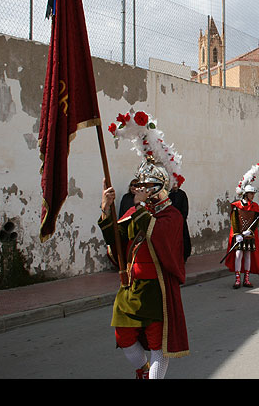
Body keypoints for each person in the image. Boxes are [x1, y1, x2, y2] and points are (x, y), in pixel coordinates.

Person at [101, 110, 189, 380]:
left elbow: (156, 235)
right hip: (131, 288)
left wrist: (137, 206)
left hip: (157, 290)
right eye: (138, 184)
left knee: (158, 347)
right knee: (124, 337)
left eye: (145, 184)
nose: (139, 188)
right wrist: (106, 210)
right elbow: (117, 239)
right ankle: (141, 370)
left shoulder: (170, 215)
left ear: (159, 187)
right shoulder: (135, 210)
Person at [225, 164, 259, 289]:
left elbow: (255, 221)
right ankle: (237, 279)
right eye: (250, 193)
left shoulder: (255, 206)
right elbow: (234, 221)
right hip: (239, 236)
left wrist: (250, 231)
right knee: (238, 255)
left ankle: (246, 279)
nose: (252, 195)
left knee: (247, 255)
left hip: (248, 235)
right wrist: (237, 234)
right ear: (245, 194)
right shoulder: (236, 206)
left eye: (253, 194)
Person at [169, 182, 191, 263]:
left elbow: (185, 208)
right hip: (170, 223)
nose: (175, 186)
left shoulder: (182, 194)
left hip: (180, 222)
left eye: (176, 184)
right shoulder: (167, 194)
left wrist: (180, 219)